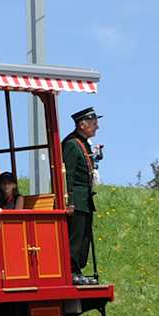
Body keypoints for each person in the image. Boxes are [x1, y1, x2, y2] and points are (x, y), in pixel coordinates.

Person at [63, 107, 101, 285]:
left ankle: (78, 270)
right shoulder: (71, 144)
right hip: (76, 199)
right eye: (93, 124)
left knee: (84, 238)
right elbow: (67, 174)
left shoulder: (83, 143)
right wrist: (68, 200)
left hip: (85, 199)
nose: (96, 127)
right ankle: (71, 271)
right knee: (75, 237)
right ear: (82, 124)